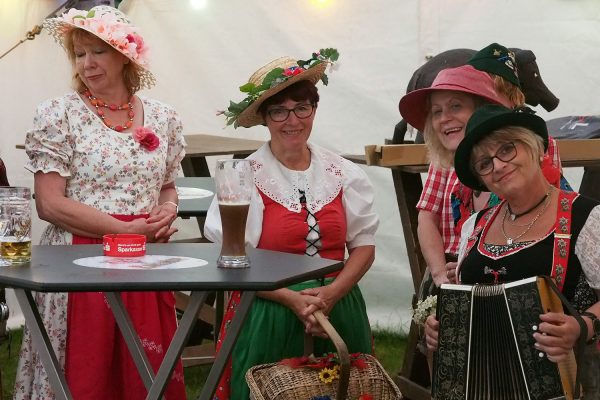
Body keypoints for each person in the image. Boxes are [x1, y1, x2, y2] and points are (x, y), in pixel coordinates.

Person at [16, 6, 186, 399]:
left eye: (98, 52)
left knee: (144, 371)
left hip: (144, 259)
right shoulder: (59, 114)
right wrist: (124, 230)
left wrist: (168, 208)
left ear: (125, 55)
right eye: (79, 54)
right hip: (79, 261)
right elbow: (50, 205)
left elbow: (166, 186)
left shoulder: (163, 117)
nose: (87, 64)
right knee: (85, 372)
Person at [205, 49, 379, 400]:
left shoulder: (343, 173)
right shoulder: (244, 177)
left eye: (302, 108)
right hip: (269, 311)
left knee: (346, 390)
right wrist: (292, 300)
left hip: (339, 305)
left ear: (314, 110)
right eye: (279, 111)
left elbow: (363, 246)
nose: (292, 120)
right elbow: (232, 261)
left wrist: (331, 294)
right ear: (265, 119)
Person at [425, 104, 600, 396]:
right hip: (483, 384)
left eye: (506, 149)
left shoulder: (587, 217)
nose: (498, 165)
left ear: (534, 147)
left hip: (569, 381)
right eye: (484, 163)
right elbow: (466, 303)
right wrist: (443, 329)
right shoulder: (474, 226)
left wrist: (581, 326)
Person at [399, 60, 562, 289]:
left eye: (455, 106)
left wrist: (471, 266)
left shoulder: (523, 149)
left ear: (481, 108)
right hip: (455, 269)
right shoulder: (444, 160)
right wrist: (440, 277)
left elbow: (549, 217)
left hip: (516, 271)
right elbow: (426, 217)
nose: (445, 117)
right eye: (436, 111)